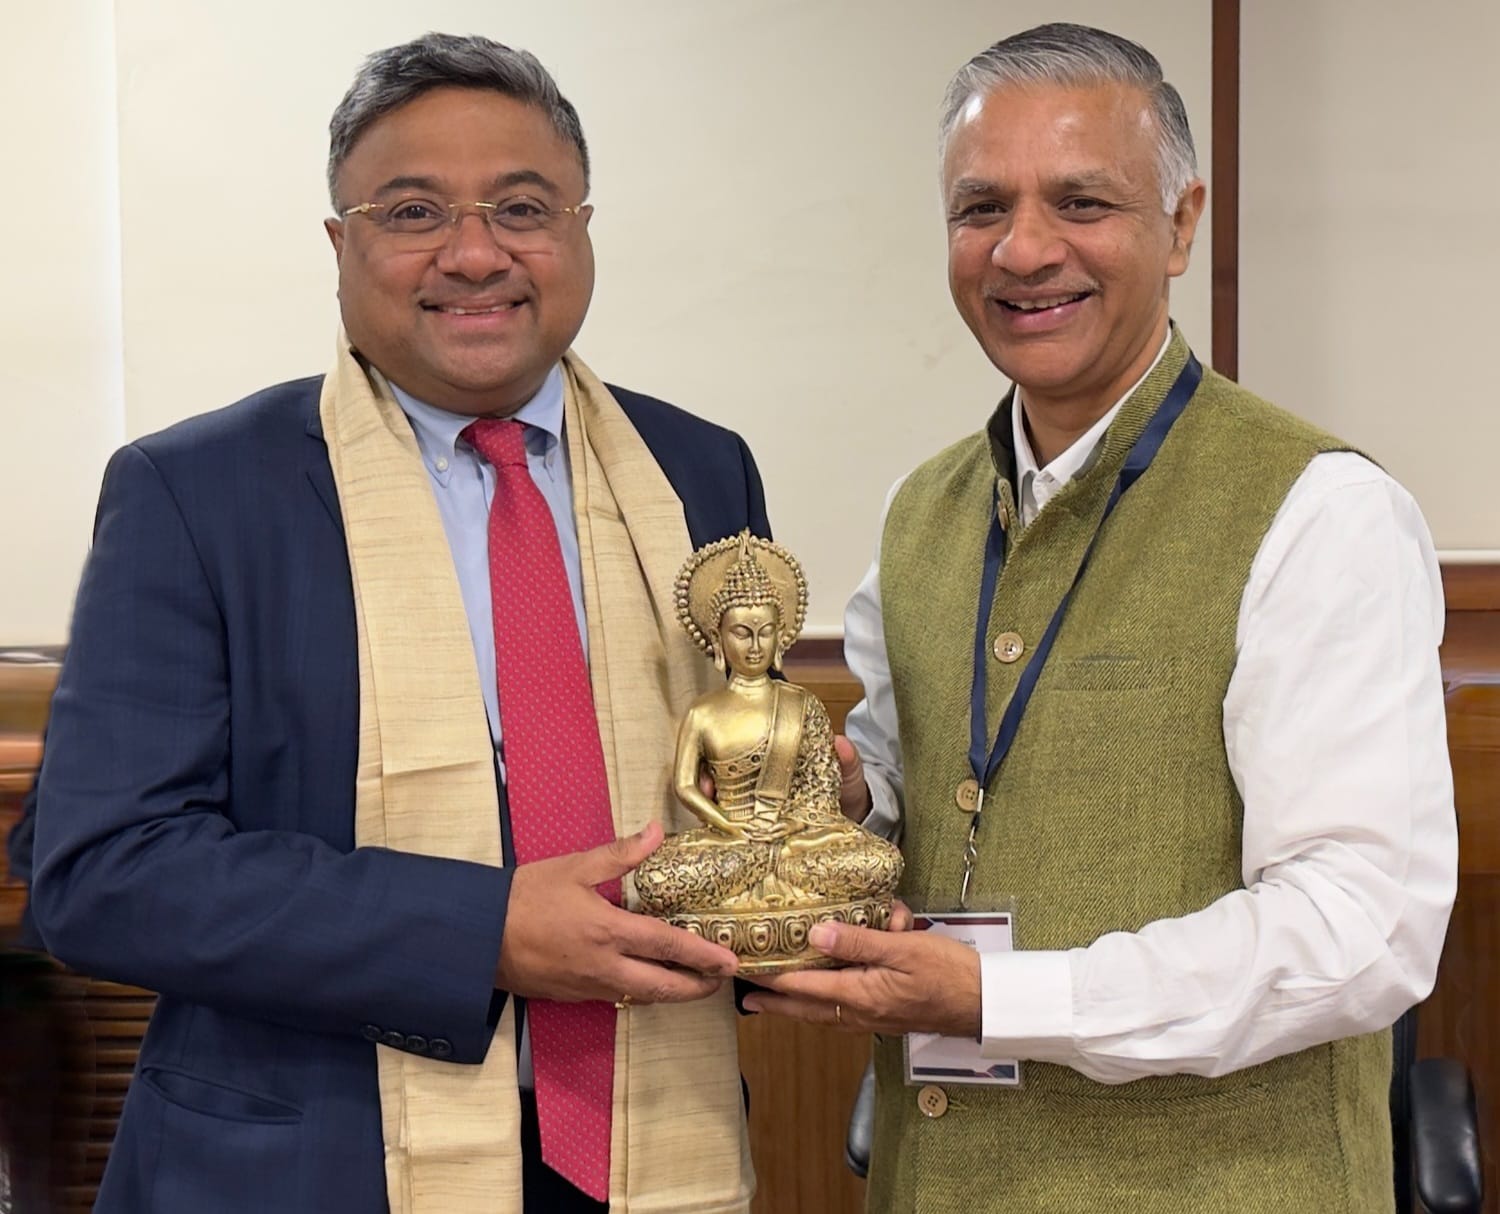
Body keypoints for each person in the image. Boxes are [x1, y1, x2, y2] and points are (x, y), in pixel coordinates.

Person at [28, 32, 765, 1214]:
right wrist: (480, 931)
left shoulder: (697, 470)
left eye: (522, 208)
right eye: (414, 211)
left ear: (581, 229)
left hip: (653, 1139)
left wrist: (792, 812)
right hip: (311, 1164)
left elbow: (729, 782)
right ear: (341, 244)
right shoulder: (198, 492)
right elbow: (104, 871)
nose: (475, 254)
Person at [745, 22, 1457, 1212]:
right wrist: (843, 802)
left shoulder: (1321, 510)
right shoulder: (922, 510)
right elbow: (917, 788)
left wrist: (1001, 997)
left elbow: (1359, 926)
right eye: (981, 208)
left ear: (1181, 224)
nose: (1024, 249)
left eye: (1081, 202)